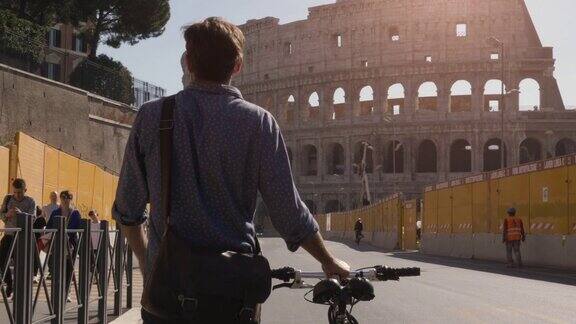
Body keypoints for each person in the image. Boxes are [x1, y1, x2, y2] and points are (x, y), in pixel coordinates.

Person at [113, 17, 350, 323]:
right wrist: (328, 261)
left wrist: (150, 265)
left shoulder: (152, 116)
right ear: (237, 66)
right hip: (233, 296)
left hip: (168, 297)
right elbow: (288, 212)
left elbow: (127, 210)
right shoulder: (259, 123)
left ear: (187, 62)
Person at [0, 178, 36, 299]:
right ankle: (9, 283)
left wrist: (21, 213)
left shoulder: (30, 201)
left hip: (22, 238)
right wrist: (6, 215)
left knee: (20, 265)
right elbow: (1, 214)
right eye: (15, 192)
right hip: (9, 235)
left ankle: (19, 293)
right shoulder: (8, 198)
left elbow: (33, 218)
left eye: (20, 192)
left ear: (25, 190)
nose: (17, 195)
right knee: (2, 261)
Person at [46, 190, 81, 301]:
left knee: (68, 269)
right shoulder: (55, 213)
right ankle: (57, 293)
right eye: (63, 197)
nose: (65, 200)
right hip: (57, 245)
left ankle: (66, 293)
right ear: (60, 199)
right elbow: (48, 228)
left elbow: (80, 229)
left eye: (67, 197)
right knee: (56, 268)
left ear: (71, 199)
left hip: (70, 245)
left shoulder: (75, 213)